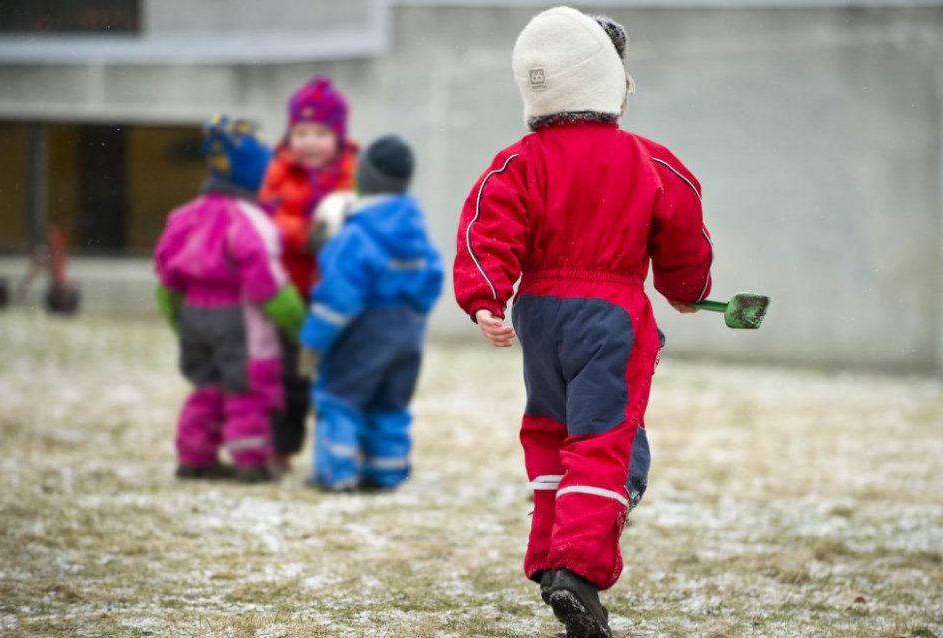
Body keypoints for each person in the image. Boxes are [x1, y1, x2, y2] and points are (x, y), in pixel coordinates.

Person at [452, 8, 714, 637]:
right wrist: (686, 290)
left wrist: (486, 298)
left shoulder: (518, 161)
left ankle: (549, 558)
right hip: (613, 315)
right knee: (605, 441)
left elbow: (488, 225)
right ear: (609, 82)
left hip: (539, 315)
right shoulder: (648, 161)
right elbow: (684, 233)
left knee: (548, 430)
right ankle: (579, 569)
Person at [155, 116, 306, 484]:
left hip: (193, 313)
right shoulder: (250, 220)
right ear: (253, 176)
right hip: (239, 317)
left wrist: (178, 318)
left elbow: (166, 279)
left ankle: (193, 457)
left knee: (206, 386)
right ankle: (250, 461)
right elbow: (266, 284)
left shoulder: (184, 216)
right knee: (247, 390)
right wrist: (297, 322)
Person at [299, 135, 443, 492]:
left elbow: (338, 299)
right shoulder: (416, 232)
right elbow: (434, 275)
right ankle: (387, 471)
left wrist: (312, 345)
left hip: (363, 332)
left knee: (340, 399)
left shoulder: (356, 234)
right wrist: (411, 314)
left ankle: (338, 473)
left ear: (364, 178)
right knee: (390, 404)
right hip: (407, 331)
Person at [260, 76, 358, 471]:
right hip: (292, 295)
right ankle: (281, 448)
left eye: (321, 132)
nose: (310, 141)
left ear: (337, 136)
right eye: (301, 131)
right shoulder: (277, 170)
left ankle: (339, 449)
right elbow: (266, 219)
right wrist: (306, 232)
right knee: (286, 377)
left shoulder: (354, 172)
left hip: (339, 297)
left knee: (338, 378)